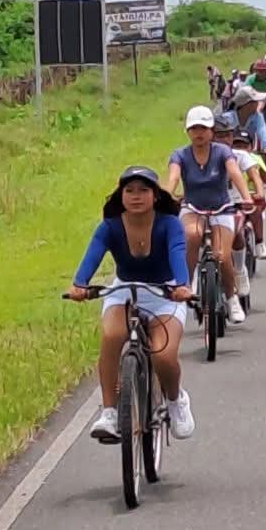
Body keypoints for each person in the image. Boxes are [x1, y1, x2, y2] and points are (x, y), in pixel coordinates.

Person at [67, 166, 195, 443]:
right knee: (112, 337)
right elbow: (92, 255)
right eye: (130, 190)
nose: (136, 196)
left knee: (163, 356)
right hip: (123, 291)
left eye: (144, 190)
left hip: (165, 293)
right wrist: (79, 284)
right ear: (120, 195)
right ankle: (110, 412)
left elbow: (177, 253)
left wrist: (181, 286)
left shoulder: (170, 224)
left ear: (156, 195)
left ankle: (176, 400)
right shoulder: (110, 227)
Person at [164, 105, 254, 320]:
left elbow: (235, 173)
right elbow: (173, 177)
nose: (199, 133)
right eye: (194, 129)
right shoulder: (180, 155)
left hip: (222, 208)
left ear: (212, 130)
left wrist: (246, 197)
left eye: (203, 128)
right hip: (192, 208)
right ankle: (187, 282)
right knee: (191, 235)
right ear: (187, 131)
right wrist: (166, 196)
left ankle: (231, 298)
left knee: (221, 256)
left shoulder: (222, 152)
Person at [212, 110, 266, 317]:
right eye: (219, 135)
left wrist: (258, 193)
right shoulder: (201, 157)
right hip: (206, 206)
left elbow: (255, 175)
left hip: (235, 203)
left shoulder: (240, 155)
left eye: (227, 135)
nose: (224, 139)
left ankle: (240, 269)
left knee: (236, 232)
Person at [233, 126, 266, 260]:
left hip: (251, 195)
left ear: (251, 146)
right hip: (232, 196)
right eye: (237, 145)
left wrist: (259, 192)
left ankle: (260, 243)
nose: (240, 149)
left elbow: (262, 177)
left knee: (256, 209)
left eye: (244, 146)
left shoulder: (255, 159)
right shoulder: (228, 157)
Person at [231, 85, 266, 163]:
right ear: (247, 104)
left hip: (249, 151)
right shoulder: (228, 118)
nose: (258, 104)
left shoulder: (258, 117)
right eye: (255, 101)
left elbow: (263, 133)